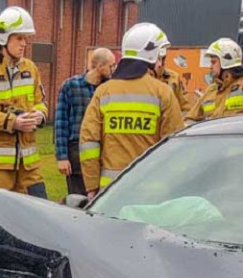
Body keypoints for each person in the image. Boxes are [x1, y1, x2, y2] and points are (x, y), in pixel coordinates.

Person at [79, 23, 185, 197]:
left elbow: (88, 142)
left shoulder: (104, 92)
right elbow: (174, 145)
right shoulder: (162, 92)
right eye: (159, 56)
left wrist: (91, 186)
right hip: (151, 192)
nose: (160, 62)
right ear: (150, 54)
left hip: (109, 193)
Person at [0, 6, 50, 198]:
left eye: (25, 38)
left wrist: (39, 115)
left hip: (28, 164)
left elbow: (41, 103)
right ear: (4, 39)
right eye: (19, 38)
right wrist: (12, 122)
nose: (24, 44)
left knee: (40, 214)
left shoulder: (31, 68)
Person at [54, 48, 115, 196]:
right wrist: (62, 157)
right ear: (100, 66)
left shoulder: (110, 88)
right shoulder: (70, 86)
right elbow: (61, 122)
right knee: (78, 199)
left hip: (104, 150)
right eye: (111, 65)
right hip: (76, 151)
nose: (113, 69)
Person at [187, 38, 243, 122]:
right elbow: (191, 118)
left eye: (213, 62)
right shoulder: (211, 90)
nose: (210, 67)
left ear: (226, 61)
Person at [146, 26, 193, 117]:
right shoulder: (140, 78)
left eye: (162, 59)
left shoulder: (174, 78)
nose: (160, 64)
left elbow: (185, 107)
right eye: (158, 59)